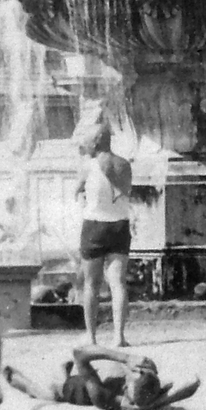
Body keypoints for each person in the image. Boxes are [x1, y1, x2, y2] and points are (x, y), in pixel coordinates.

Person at [4, 344, 199, 410]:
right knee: (104, 372)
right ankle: (64, 370)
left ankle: (17, 379)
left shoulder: (104, 397)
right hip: (92, 378)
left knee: (43, 393)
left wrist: (125, 357)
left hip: (70, 389)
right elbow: (190, 384)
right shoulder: (147, 391)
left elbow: (79, 353)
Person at [76, 123, 133, 347]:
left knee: (91, 284)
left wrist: (83, 198)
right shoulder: (124, 164)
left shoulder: (88, 166)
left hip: (94, 226)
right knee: (117, 283)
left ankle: (91, 336)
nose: (84, 145)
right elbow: (126, 192)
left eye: (87, 141)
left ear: (97, 141)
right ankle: (119, 336)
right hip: (119, 225)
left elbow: (77, 191)